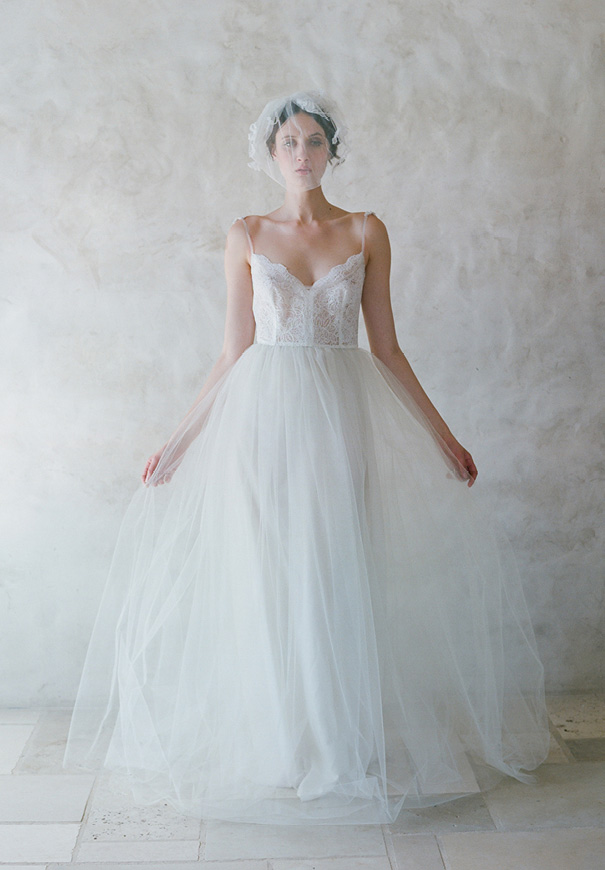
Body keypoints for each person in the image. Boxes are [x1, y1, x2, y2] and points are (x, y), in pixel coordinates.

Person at [63, 90, 550, 826]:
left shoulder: (366, 230)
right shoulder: (246, 234)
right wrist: (178, 441)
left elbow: (387, 349)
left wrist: (443, 437)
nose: (301, 153)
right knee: (268, 572)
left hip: (341, 419)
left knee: (335, 567)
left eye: (313, 141)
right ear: (270, 153)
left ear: (331, 150)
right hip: (261, 422)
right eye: (288, 142)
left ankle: (336, 742)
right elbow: (232, 351)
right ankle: (278, 742)